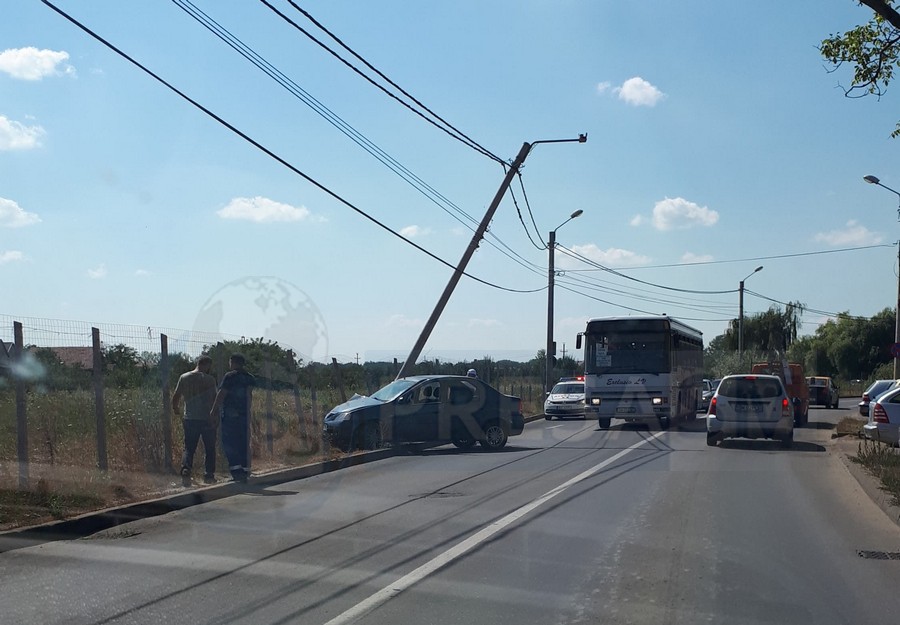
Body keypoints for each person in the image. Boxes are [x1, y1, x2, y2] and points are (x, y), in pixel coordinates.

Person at [171, 355, 218, 486]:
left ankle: (186, 469)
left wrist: (176, 408)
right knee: (209, 448)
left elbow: (176, 396)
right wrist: (215, 415)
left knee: (189, 447)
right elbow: (215, 399)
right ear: (207, 365)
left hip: (190, 418)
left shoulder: (184, 377)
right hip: (206, 418)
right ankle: (209, 475)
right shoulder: (210, 380)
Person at [210, 353, 256, 483]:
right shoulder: (249, 377)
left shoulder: (229, 376)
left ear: (233, 362)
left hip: (230, 415)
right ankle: (246, 469)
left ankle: (236, 472)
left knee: (230, 443)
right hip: (244, 414)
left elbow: (222, 393)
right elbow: (249, 396)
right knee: (244, 442)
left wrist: (213, 410)